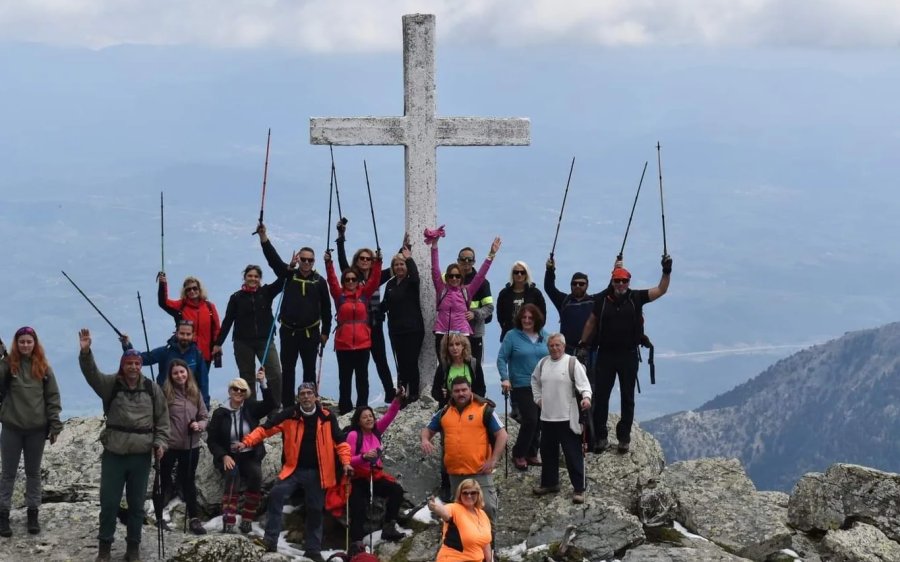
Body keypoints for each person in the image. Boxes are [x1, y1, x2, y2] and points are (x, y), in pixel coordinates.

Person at [78, 328, 170, 562]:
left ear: (141, 366)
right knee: (108, 503)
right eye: (129, 363)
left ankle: (133, 549)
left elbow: (162, 420)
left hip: (141, 456)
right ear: (123, 365)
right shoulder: (112, 384)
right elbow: (92, 376)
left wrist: (160, 442)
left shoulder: (152, 389)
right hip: (115, 454)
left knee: (137, 505)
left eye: (137, 364)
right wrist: (86, 351)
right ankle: (104, 549)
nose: (133, 367)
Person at [236, 381, 351, 562]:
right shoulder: (290, 414)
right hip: (293, 469)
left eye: (309, 393)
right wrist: (246, 442)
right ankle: (270, 540)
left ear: (316, 397)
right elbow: (265, 429)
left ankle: (313, 549)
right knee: (276, 494)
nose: (306, 396)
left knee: (315, 509)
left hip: (318, 472)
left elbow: (341, 442)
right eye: (302, 394)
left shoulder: (327, 417)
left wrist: (346, 462)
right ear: (298, 397)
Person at [579, 255, 672, 453]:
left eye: (624, 280)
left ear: (629, 282)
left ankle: (624, 438)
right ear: (612, 282)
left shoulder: (636, 297)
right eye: (617, 280)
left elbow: (661, 289)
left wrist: (666, 271)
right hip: (606, 354)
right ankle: (601, 438)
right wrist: (583, 343)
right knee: (601, 396)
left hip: (628, 355)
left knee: (627, 398)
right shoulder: (602, 301)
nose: (621, 284)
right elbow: (591, 322)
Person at [258, 224, 332, 408]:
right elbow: (273, 260)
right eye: (303, 259)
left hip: (310, 333)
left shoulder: (320, 282)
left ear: (314, 262)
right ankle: (289, 406)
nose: (306, 263)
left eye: (310, 260)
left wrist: (325, 333)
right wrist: (263, 237)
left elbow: (327, 310)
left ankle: (310, 405)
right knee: (288, 370)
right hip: (289, 331)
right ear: (298, 260)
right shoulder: (288, 275)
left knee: (309, 371)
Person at [0, 327, 63, 537]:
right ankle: (3, 514)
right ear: (16, 344)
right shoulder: (8, 365)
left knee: (33, 473)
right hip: (11, 428)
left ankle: (33, 513)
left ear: (35, 343)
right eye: (22, 342)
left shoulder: (44, 368)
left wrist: (55, 426)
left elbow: (52, 398)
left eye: (29, 341)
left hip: (36, 430)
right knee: (7, 474)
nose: (25, 345)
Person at [421, 377, 507, 522]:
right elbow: (427, 429)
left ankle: (489, 543)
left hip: (479, 472)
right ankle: (466, 544)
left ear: (470, 390)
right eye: (457, 391)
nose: (461, 393)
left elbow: (502, 435)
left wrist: (493, 461)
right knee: (461, 515)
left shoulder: (483, 409)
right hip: (455, 475)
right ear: (451, 393)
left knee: (486, 509)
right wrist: (424, 440)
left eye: (464, 390)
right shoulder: (445, 412)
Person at [206, 368, 274, 534]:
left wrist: (263, 383)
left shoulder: (250, 408)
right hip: (230, 456)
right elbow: (212, 440)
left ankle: (248, 518)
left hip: (250, 454)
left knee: (256, 476)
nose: (238, 392)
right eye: (235, 388)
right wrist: (223, 456)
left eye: (242, 390)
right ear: (229, 391)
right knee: (232, 475)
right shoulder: (220, 413)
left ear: (246, 393)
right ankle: (229, 519)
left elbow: (270, 405)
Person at [337, 221, 395, 402]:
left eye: (368, 258)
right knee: (358, 369)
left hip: (375, 323)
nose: (364, 261)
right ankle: (350, 402)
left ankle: (390, 393)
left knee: (380, 360)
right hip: (357, 328)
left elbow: (397, 266)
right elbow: (341, 261)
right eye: (361, 258)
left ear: (373, 261)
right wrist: (340, 238)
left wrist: (405, 247)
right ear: (356, 261)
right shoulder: (351, 277)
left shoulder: (378, 276)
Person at [530, 333, 592, 504]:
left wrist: (586, 398)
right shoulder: (542, 363)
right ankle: (550, 483)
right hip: (547, 417)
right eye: (551, 345)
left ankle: (579, 488)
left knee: (572, 454)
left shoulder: (572, 363)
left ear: (564, 346)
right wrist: (537, 399)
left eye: (558, 345)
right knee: (548, 453)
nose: (554, 348)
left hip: (567, 416)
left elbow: (584, 384)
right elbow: (534, 381)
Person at [213, 264, 284, 403]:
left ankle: (275, 407)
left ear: (260, 278)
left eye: (256, 276)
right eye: (250, 276)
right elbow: (227, 321)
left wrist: (290, 267)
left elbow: (282, 280)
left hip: (265, 341)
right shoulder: (236, 298)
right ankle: (251, 409)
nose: (253, 279)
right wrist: (218, 343)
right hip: (242, 342)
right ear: (244, 278)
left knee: (275, 373)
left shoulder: (267, 292)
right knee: (247, 377)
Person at [324, 247, 383, 415]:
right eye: (347, 279)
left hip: (363, 344)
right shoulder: (339, 295)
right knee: (345, 379)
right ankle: (345, 409)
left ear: (358, 281)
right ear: (344, 282)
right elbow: (332, 280)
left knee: (362, 379)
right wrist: (328, 262)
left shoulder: (364, 294)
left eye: (353, 279)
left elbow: (374, 279)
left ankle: (362, 409)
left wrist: (378, 262)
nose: (350, 281)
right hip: (343, 345)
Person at [345, 388, 408, 544]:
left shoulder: (377, 431)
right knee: (358, 508)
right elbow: (347, 460)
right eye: (364, 417)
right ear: (358, 421)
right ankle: (356, 543)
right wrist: (364, 457)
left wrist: (397, 400)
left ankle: (389, 527)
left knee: (396, 490)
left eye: (370, 416)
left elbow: (390, 416)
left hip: (375, 476)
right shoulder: (353, 436)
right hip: (358, 479)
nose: (369, 419)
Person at [431, 230, 501, 355]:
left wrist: (491, 254)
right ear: (447, 277)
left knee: (466, 369)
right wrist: (434, 246)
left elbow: (480, 275)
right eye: (451, 276)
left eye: (457, 276)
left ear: (461, 277)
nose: (454, 278)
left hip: (463, 334)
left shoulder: (467, 291)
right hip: (442, 332)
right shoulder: (441, 289)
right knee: (443, 370)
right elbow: (435, 269)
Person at [497, 304, 549, 471]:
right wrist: (505, 379)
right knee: (531, 419)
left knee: (540, 421)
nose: (527, 320)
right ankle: (519, 453)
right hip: (522, 383)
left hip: (543, 384)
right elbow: (501, 358)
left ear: (537, 319)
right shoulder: (512, 336)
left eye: (530, 318)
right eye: (524, 317)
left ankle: (532, 453)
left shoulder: (544, 335)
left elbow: (554, 355)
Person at [159, 359, 208, 534]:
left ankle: (194, 519)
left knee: (188, 481)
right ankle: (160, 516)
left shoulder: (195, 393)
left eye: (182, 372)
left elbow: (204, 416)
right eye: (175, 373)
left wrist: (199, 426)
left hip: (190, 444)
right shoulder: (165, 394)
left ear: (187, 372)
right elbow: (158, 417)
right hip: (169, 445)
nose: (180, 375)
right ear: (170, 376)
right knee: (163, 481)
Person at [121, 319, 210, 408]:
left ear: (193, 335)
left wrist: (205, 406)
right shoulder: (165, 351)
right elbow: (142, 359)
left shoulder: (197, 355)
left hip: (188, 403)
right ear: (176, 333)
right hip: (165, 402)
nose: (185, 337)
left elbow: (203, 382)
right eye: (182, 333)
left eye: (188, 334)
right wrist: (127, 345)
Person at [381, 243, 425, 401]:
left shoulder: (412, 282)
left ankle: (414, 394)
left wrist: (409, 258)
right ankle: (402, 395)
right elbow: (384, 305)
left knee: (411, 362)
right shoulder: (390, 284)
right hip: (396, 330)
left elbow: (415, 275)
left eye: (402, 264)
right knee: (401, 364)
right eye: (396, 264)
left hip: (413, 329)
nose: (399, 267)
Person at [157, 273, 221, 370]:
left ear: (199, 289)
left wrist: (217, 345)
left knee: (201, 383)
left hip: (205, 355)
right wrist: (163, 284)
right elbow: (164, 302)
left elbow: (216, 329)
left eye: (194, 288)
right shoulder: (181, 306)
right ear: (185, 292)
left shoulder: (210, 307)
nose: (192, 291)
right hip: (185, 353)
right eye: (188, 289)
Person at [429, 479, 493, 562]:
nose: (469, 496)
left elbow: (486, 544)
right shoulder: (454, 508)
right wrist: (435, 508)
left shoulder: (482, 514)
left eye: (473, 493)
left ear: (478, 494)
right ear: (460, 494)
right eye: (465, 493)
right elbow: (445, 513)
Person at [544, 258, 596, 357]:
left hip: (590, 352)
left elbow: (610, 290)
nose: (577, 286)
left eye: (581, 284)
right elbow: (549, 287)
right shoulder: (563, 301)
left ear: (587, 285)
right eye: (574, 283)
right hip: (567, 352)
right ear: (571, 285)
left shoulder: (594, 301)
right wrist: (550, 270)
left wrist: (616, 268)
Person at [456, 246, 495, 367]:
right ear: (458, 261)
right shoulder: (452, 280)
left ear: (474, 261)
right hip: (454, 335)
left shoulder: (483, 282)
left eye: (469, 259)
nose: (466, 262)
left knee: (474, 368)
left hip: (475, 333)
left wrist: (475, 314)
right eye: (463, 259)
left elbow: (489, 307)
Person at [497, 261, 546, 342]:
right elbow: (500, 317)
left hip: (531, 336)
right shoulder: (504, 294)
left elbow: (542, 315)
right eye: (516, 272)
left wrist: (535, 329)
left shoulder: (535, 293)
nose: (519, 275)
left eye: (522, 272)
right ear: (512, 274)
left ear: (526, 274)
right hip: (510, 336)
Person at [431, 333, 486, 405]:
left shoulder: (474, 364)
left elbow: (481, 388)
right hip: (449, 407)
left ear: (463, 346)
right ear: (446, 348)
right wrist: (441, 395)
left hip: (471, 406)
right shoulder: (443, 366)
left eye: (457, 344)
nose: (454, 348)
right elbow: (435, 391)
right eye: (451, 345)